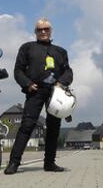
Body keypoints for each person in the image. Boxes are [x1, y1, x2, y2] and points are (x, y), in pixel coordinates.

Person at [4, 18, 73, 175]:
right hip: (34, 91)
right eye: (39, 29)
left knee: (54, 128)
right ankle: (14, 163)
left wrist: (61, 82)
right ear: (35, 32)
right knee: (27, 126)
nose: (43, 32)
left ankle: (49, 163)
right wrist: (27, 83)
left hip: (55, 94)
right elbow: (18, 71)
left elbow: (68, 71)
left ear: (51, 30)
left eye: (46, 29)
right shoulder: (27, 48)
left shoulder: (61, 51)